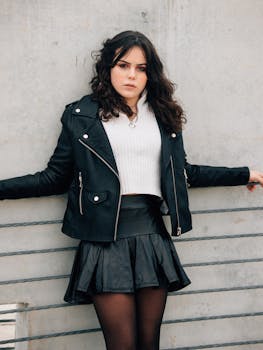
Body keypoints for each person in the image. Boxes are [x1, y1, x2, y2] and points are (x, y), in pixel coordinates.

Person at [0, 30, 262, 350]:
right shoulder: (82, 116)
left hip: (152, 237)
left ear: (150, 74)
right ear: (108, 68)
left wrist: (246, 174)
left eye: (140, 68)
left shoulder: (164, 117)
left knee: (149, 344)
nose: (131, 75)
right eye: (123, 65)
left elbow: (183, 173)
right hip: (104, 240)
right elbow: (53, 177)